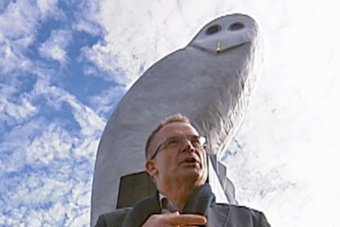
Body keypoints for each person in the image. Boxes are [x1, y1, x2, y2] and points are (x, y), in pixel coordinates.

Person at [95, 113, 271, 227]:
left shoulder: (250, 221)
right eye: (173, 142)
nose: (189, 147)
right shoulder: (110, 224)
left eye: (196, 142)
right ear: (152, 167)